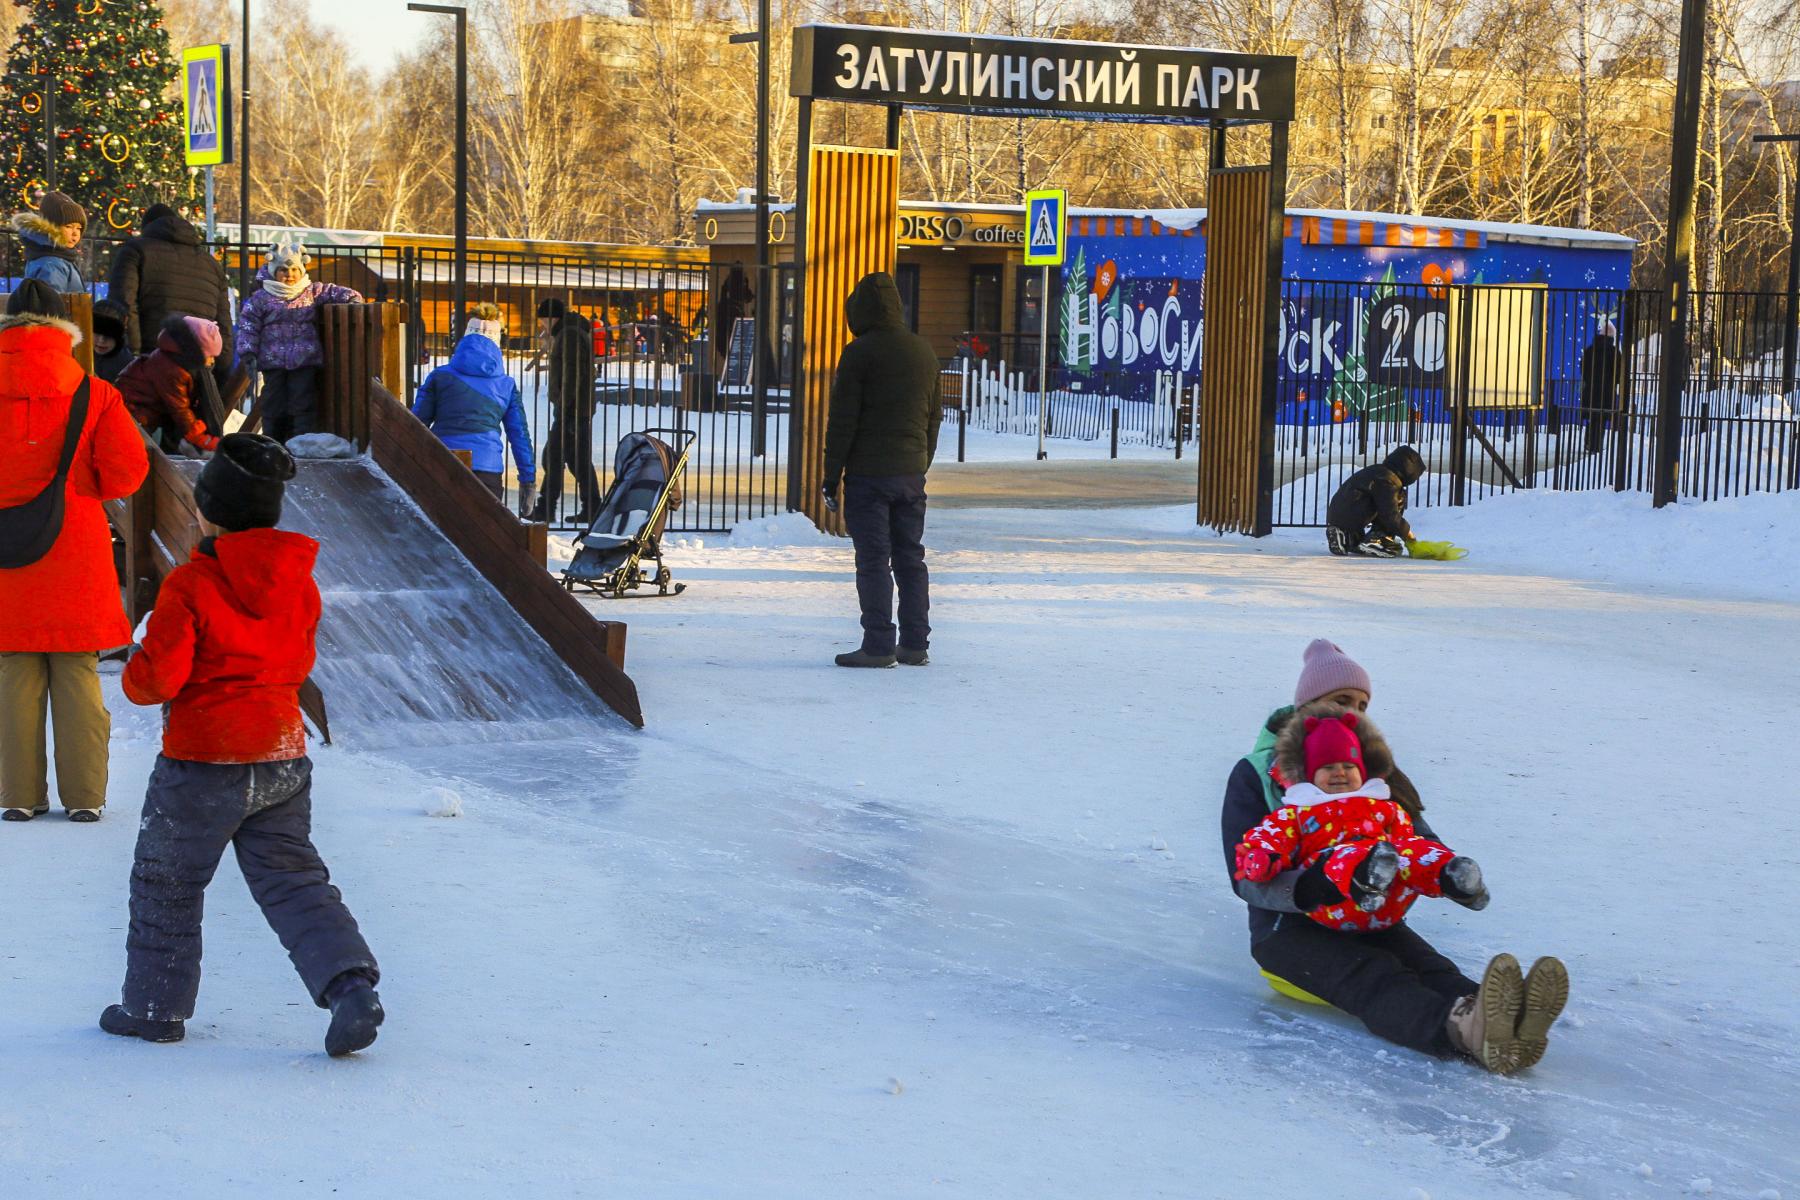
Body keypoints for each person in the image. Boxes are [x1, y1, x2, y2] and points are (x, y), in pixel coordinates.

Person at [101, 433, 384, 1055]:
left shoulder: (190, 585)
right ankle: (350, 986)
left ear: (208, 510)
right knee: (293, 880)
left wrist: (137, 657)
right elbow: (298, 660)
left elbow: (155, 682)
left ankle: (154, 1007)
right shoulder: (299, 584)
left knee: (166, 882)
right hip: (282, 753)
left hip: (202, 762)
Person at [1220, 638, 1568, 1074]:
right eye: (1342, 700)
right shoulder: (1257, 772)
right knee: (1376, 976)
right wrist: (1317, 886)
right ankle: (1462, 1031)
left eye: (1363, 705)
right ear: (1308, 704)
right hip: (1289, 930)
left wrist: (1450, 875)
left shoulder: (1370, 773)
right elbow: (1246, 876)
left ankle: (1505, 1021)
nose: (1355, 713)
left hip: (1371, 915)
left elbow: (1418, 841)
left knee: (1432, 968)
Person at [0, 281, 149, 822]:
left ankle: (18, 796)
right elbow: (127, 473)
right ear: (63, 328)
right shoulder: (95, 393)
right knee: (77, 670)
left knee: (14, 667)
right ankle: (85, 799)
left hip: (5, 554)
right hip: (75, 547)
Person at [1235, 711, 1489, 932]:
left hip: (1390, 904)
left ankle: (1451, 878)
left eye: (1348, 765)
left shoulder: (1384, 807)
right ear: (1310, 775)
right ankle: (1364, 878)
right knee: (1344, 857)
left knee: (1411, 849)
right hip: (1335, 902)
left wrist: (1418, 856)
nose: (1340, 773)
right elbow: (1271, 835)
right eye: (1328, 767)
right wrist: (1262, 857)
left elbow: (1405, 839)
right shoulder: (1299, 811)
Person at [822, 271, 943, 669]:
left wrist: (830, 476)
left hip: (868, 477)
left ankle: (877, 646)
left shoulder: (859, 353)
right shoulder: (923, 352)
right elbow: (934, 418)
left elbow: (843, 421)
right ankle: (914, 644)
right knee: (911, 558)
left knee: (874, 560)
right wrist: (919, 463)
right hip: (910, 475)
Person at [412, 303, 537, 512]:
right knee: (482, 536)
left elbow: (416, 424)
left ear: (464, 337)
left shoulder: (440, 376)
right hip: (487, 469)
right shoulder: (506, 385)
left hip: (443, 461)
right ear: (497, 341)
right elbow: (519, 435)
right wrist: (528, 481)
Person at [235, 242, 362, 443]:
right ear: (273, 271)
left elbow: (335, 291)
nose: (290, 274)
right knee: (273, 402)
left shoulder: (310, 291)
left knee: (302, 402)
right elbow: (248, 325)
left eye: (294, 269)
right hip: (273, 360)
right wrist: (248, 353)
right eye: (283, 270)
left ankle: (300, 440)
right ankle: (272, 440)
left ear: (301, 270)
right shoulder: (261, 298)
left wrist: (352, 299)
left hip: (304, 359)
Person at [106, 203, 235, 384]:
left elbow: (123, 304)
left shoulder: (135, 251)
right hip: (200, 364)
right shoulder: (211, 264)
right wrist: (222, 365)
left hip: (152, 358)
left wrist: (133, 353)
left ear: (147, 228)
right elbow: (223, 321)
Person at [527, 298, 599, 525]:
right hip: (573, 408)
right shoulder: (568, 332)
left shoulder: (569, 334)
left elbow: (572, 373)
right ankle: (591, 507)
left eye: (542, 320)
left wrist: (565, 406)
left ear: (551, 317)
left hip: (573, 410)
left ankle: (547, 508)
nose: (542, 326)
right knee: (574, 459)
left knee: (556, 457)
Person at [117, 315, 225, 454]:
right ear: (194, 351)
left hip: (142, 413)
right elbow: (180, 409)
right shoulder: (173, 370)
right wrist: (199, 436)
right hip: (134, 414)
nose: (211, 362)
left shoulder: (171, 359)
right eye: (209, 356)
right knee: (145, 454)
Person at [1324, 446, 1425, 558]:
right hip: (1353, 513)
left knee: (1357, 539)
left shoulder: (1376, 471)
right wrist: (1408, 536)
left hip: (1339, 515)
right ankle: (1377, 539)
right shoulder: (1389, 480)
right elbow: (1389, 514)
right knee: (1399, 497)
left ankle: (1346, 535)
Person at [11, 190, 87, 294]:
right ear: (52, 228)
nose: (75, 233)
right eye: (68, 226)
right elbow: (52, 303)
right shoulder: (51, 264)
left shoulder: (58, 257)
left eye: (79, 228)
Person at [1581, 321, 1624, 457]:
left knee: (1593, 416)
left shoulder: (1589, 350)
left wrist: (1590, 380)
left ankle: (1589, 440)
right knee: (1602, 418)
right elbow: (1619, 374)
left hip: (1591, 390)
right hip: (1606, 391)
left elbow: (1583, 369)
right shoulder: (1614, 352)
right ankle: (1596, 444)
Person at [90, 299, 133, 384]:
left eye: (109, 335)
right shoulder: (78, 356)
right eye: (97, 333)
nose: (101, 340)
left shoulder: (127, 366)